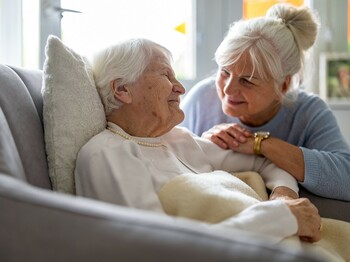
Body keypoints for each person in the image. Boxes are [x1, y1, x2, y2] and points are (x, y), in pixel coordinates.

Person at [74, 38, 321, 243]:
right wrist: (280, 218)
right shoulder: (107, 153)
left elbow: (266, 163)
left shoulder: (177, 139)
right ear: (122, 90)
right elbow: (158, 249)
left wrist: (284, 196)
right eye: (166, 75)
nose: (180, 88)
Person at [180, 3, 350, 201]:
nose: (227, 89)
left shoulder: (309, 112)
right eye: (224, 72)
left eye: (247, 80)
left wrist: (260, 144)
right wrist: (203, 145)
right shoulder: (202, 99)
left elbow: (346, 179)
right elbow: (166, 158)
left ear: (283, 86)